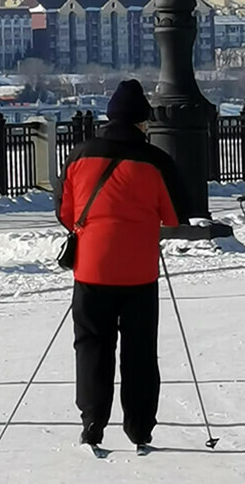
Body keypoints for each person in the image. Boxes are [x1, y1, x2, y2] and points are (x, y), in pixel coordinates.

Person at [54, 79, 188, 452]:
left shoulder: (80, 156)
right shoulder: (156, 161)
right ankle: (139, 427)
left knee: (92, 345)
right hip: (139, 272)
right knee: (140, 351)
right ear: (142, 122)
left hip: (92, 269)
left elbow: (65, 213)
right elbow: (175, 215)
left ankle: (93, 420)